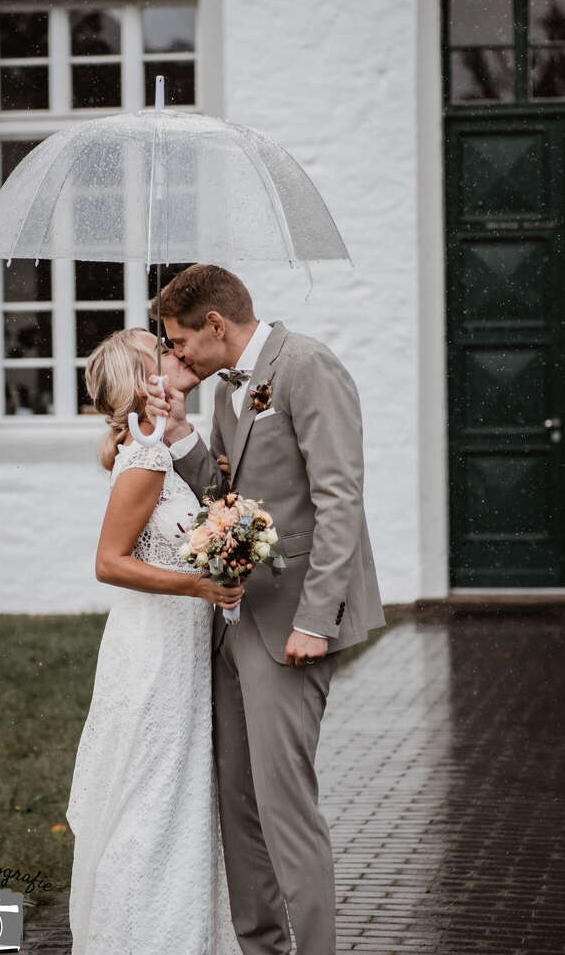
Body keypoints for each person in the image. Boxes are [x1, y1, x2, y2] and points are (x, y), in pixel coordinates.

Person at [145, 264, 387, 955]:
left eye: (180, 340)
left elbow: (339, 500)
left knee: (284, 807)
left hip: (292, 624)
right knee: (237, 801)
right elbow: (227, 494)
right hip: (235, 621)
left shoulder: (308, 367)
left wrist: (316, 621)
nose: (177, 355)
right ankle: (262, 947)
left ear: (215, 325)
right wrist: (179, 432)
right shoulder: (227, 390)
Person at [65, 327, 244, 955]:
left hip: (179, 653)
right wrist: (199, 587)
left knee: (175, 801)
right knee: (151, 801)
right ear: (147, 382)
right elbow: (109, 563)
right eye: (163, 351)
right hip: (152, 656)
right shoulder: (143, 461)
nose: (178, 355)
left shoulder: (160, 452)